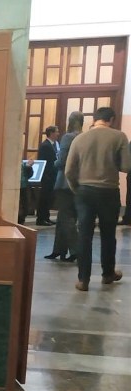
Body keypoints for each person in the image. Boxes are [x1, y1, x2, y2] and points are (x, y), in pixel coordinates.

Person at [65, 106, 131, 291]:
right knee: (108, 235)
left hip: (85, 192)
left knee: (84, 235)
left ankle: (83, 280)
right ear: (111, 119)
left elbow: (69, 170)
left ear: (94, 119)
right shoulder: (119, 136)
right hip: (109, 191)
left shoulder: (79, 138)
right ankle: (108, 273)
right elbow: (126, 166)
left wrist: (77, 189)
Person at [45, 111, 83, 262]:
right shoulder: (83, 136)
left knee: (66, 218)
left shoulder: (68, 137)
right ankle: (58, 250)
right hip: (78, 182)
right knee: (63, 218)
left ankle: (76, 250)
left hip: (65, 182)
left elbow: (62, 161)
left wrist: (54, 163)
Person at [36, 125, 60, 226]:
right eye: (56, 132)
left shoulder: (54, 145)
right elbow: (43, 162)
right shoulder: (45, 145)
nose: (58, 134)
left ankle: (46, 217)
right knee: (44, 198)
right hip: (46, 176)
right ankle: (41, 219)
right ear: (51, 133)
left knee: (48, 198)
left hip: (52, 176)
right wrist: (46, 175)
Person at [18, 159, 34, 224]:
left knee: (25, 206)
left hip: (24, 186)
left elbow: (28, 175)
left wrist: (29, 167)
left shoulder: (22, 163)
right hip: (16, 186)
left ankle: (21, 222)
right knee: (21, 206)